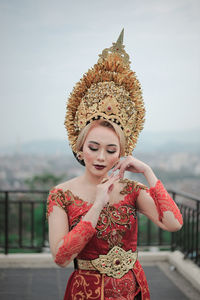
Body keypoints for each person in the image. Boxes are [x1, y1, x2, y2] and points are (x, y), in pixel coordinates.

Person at [46, 30, 183, 300]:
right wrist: (97, 205)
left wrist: (147, 172)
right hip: (86, 292)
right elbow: (61, 258)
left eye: (111, 150)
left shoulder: (132, 190)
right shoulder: (61, 195)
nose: (100, 157)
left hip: (133, 289)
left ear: (121, 153)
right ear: (80, 147)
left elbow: (174, 223)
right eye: (93, 148)